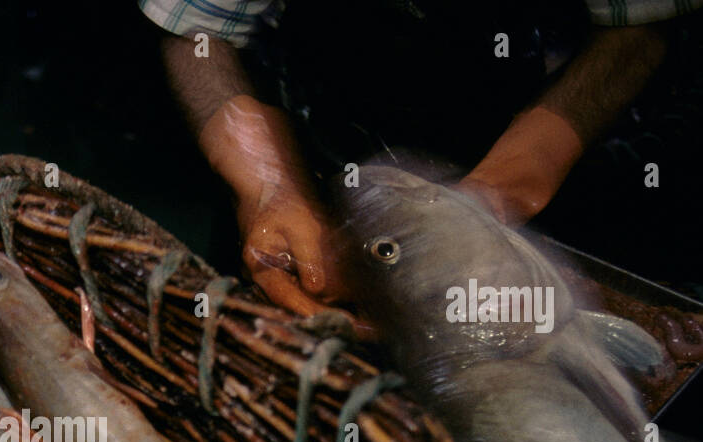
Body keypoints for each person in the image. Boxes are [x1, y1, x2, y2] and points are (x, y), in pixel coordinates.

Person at [142, 0, 700, 317]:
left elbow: (635, 30)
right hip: (315, 131)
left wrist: (498, 193)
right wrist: (269, 187)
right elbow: (197, 30)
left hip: (543, 145)